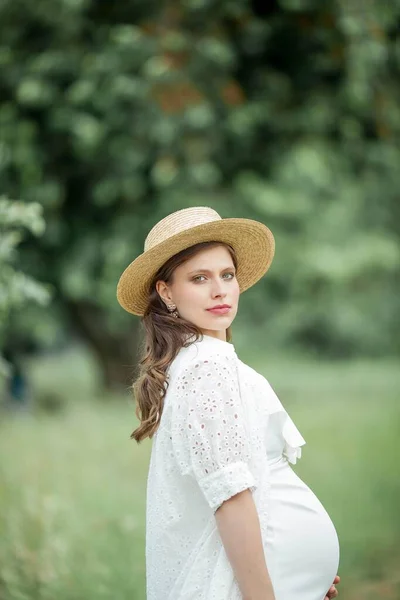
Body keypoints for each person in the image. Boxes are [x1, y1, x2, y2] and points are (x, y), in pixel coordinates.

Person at [116, 206, 341, 600]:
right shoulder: (207, 367)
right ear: (166, 292)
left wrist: (301, 568)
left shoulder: (195, 361)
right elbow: (230, 497)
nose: (219, 290)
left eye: (227, 275)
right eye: (199, 278)